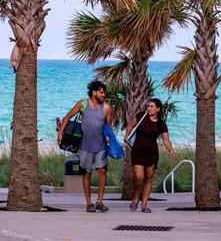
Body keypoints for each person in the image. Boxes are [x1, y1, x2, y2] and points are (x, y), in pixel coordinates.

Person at [57, 80, 112, 213]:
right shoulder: (82, 104)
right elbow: (67, 117)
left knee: (102, 171)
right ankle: (88, 203)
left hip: (101, 146)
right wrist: (60, 133)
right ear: (94, 92)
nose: (103, 94)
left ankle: (100, 202)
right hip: (84, 145)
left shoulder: (106, 108)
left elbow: (108, 126)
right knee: (86, 173)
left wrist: (109, 139)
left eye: (104, 92)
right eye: (101, 92)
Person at [124, 98, 176, 213]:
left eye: (152, 106)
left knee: (149, 178)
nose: (149, 108)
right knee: (139, 177)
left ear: (158, 109)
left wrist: (171, 150)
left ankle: (144, 205)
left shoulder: (161, 123)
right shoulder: (141, 116)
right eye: (148, 106)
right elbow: (130, 125)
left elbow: (165, 139)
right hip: (137, 150)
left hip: (151, 153)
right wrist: (127, 135)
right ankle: (136, 196)